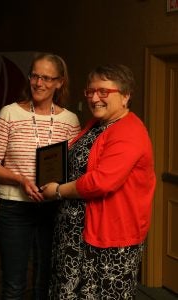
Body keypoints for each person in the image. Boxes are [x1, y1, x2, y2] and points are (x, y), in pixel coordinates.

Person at [42, 64, 156, 299]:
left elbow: (101, 182)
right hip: (74, 234)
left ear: (125, 96)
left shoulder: (129, 131)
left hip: (108, 239)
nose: (95, 98)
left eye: (104, 92)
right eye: (90, 92)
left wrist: (59, 191)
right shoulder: (97, 125)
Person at [0, 52, 81, 300]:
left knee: (45, 281)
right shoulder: (10, 113)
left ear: (59, 82)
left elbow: (74, 169)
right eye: (35, 76)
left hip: (53, 208)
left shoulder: (70, 121)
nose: (39, 83)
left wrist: (58, 185)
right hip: (14, 207)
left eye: (47, 78)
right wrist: (20, 180)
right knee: (14, 284)